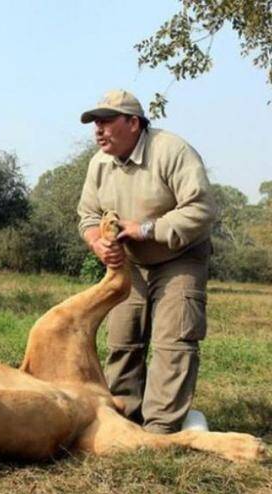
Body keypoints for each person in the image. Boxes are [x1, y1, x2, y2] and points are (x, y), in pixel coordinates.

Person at [77, 89, 217, 434]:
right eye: (95, 123)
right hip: (130, 263)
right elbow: (88, 216)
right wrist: (98, 243)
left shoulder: (171, 150)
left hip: (180, 257)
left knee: (174, 342)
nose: (98, 130)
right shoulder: (99, 163)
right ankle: (125, 419)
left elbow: (201, 209)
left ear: (133, 122)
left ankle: (162, 429)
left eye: (107, 121)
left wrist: (146, 229)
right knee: (123, 342)